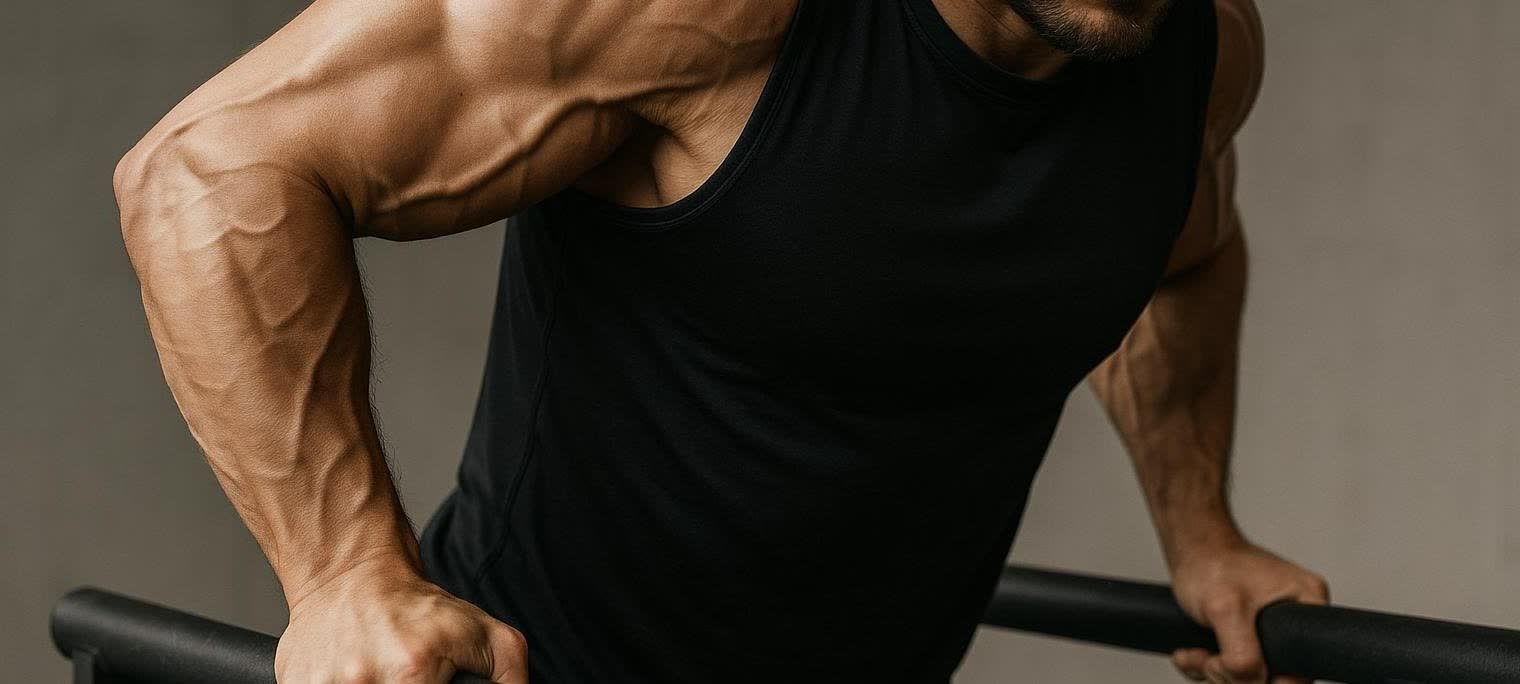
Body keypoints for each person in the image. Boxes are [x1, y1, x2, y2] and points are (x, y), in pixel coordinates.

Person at [113, 0, 1329, 681]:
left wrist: (1201, 536)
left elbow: (1178, 257)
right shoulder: (710, 13)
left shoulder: (1200, 58)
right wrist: (343, 576)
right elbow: (211, 173)